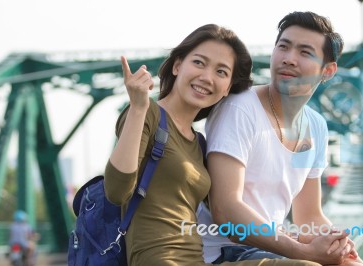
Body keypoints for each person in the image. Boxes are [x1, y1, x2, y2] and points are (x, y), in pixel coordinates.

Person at [104, 24, 321, 266]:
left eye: (221, 72)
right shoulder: (147, 113)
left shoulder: (198, 142)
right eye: (198, 63)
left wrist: (293, 239)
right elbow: (116, 191)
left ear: (228, 87)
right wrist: (137, 107)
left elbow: (231, 213)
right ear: (177, 65)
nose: (207, 77)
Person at [197, 12, 363, 266]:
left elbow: (309, 215)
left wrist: (337, 242)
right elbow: (226, 211)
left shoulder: (315, 127)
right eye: (283, 47)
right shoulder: (240, 109)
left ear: (328, 71)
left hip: (273, 246)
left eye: (305, 52)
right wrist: (302, 251)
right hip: (225, 250)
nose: (289, 59)